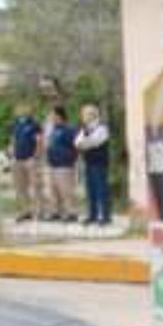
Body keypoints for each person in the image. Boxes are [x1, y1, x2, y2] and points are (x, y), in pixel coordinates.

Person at [41, 93, 78, 220]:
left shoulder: (68, 129)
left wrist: (69, 158)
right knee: (53, 191)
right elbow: (47, 144)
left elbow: (74, 146)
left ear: (59, 116)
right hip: (52, 164)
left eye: (53, 115)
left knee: (66, 191)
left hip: (64, 165)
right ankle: (55, 211)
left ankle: (71, 212)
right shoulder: (53, 130)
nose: (51, 118)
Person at [78, 99, 114, 228]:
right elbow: (77, 143)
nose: (83, 116)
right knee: (91, 190)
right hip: (89, 163)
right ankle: (92, 215)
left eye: (85, 114)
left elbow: (94, 142)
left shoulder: (102, 128)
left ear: (92, 114)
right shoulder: (85, 129)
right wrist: (85, 143)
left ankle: (105, 216)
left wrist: (85, 143)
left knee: (101, 190)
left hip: (100, 163)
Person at [6, 100, 43, 223]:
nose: (20, 110)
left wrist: (35, 156)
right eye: (19, 108)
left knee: (35, 185)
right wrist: (11, 155)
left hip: (30, 159)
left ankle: (38, 210)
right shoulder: (15, 124)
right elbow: (12, 140)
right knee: (20, 187)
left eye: (23, 108)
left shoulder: (34, 124)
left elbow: (38, 141)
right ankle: (25, 211)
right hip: (18, 159)